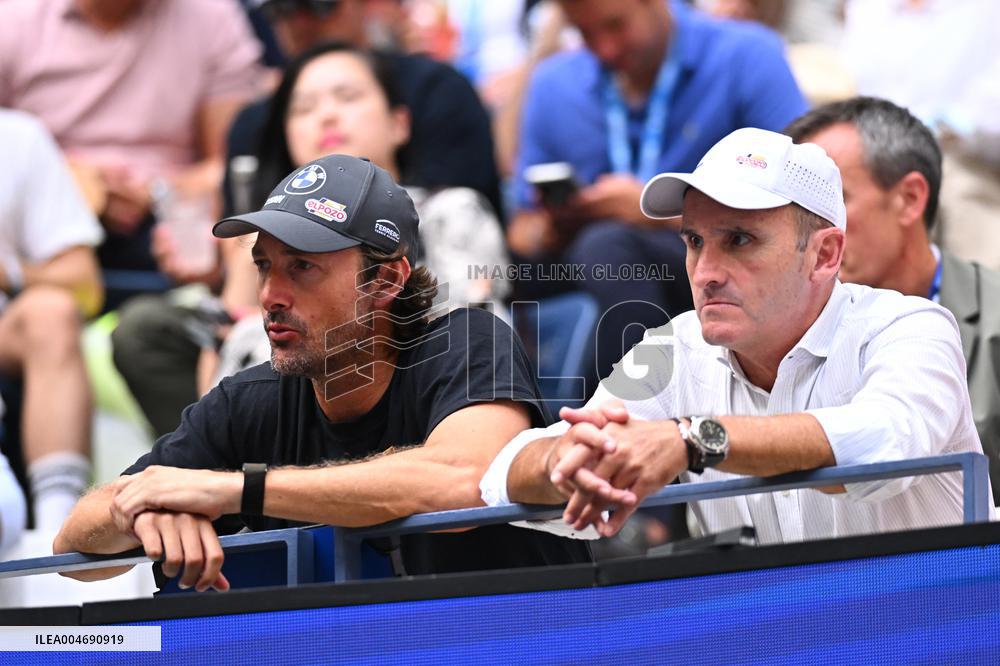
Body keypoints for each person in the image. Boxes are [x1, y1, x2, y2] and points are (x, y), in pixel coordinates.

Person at [55, 154, 590, 593]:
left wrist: (236, 491)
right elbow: (72, 551)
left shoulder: (464, 342)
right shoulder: (249, 399)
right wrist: (140, 513)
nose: (270, 296)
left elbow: (465, 485)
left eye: (302, 266)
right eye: (264, 266)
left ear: (386, 279)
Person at [480, 127, 993, 542]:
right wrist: (566, 459)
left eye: (739, 240)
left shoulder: (910, 326)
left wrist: (692, 440)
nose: (705, 271)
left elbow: (887, 445)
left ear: (825, 255)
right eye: (695, 241)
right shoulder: (673, 347)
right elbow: (502, 477)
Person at [113, 42, 509, 437]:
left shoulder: (453, 208)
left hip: (411, 419)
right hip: (286, 424)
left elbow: (479, 336)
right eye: (303, 108)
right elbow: (223, 375)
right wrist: (243, 271)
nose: (327, 115)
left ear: (399, 123)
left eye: (348, 97)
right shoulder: (263, 231)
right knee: (148, 328)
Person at [509, 0, 808, 382]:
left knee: (609, 246)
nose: (605, 48)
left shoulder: (745, 56)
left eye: (617, 26)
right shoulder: (555, 84)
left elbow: (797, 203)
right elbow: (521, 230)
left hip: (717, 252)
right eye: (584, 33)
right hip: (583, 261)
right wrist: (556, 225)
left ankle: (632, 410)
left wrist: (653, 213)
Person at [785, 96, 1000, 508]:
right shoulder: (775, 334)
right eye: (796, 210)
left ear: (909, 198)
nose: (810, 232)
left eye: (833, 201)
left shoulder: (994, 318)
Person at [0, 0, 262, 285]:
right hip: (35, 218)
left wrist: (156, 193)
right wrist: (68, 181)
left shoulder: (212, 16)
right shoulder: (13, 18)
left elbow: (232, 162)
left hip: (166, 221)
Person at [228, 0, 501, 219]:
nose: (300, 20)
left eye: (319, 4)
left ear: (399, 122)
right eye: (281, 7)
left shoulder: (435, 89)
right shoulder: (255, 123)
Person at [0, 110, 105, 532]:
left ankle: (57, 530)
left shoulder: (17, 137)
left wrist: (7, 271)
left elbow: (84, 284)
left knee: (52, 311)